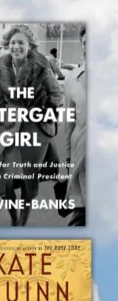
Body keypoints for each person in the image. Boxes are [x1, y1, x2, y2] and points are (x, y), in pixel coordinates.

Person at [0, 24, 64, 226]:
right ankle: (13, 218)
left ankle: (21, 224)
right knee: (9, 180)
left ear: (30, 45)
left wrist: (48, 110)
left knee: (30, 179)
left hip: (35, 129)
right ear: (7, 45)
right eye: (12, 42)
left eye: (21, 42)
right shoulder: (0, 69)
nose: (16, 46)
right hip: (10, 126)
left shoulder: (42, 68)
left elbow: (56, 93)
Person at [64, 27, 87, 226]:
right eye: (85, 43)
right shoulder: (73, 78)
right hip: (82, 151)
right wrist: (67, 157)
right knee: (81, 212)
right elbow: (69, 120)